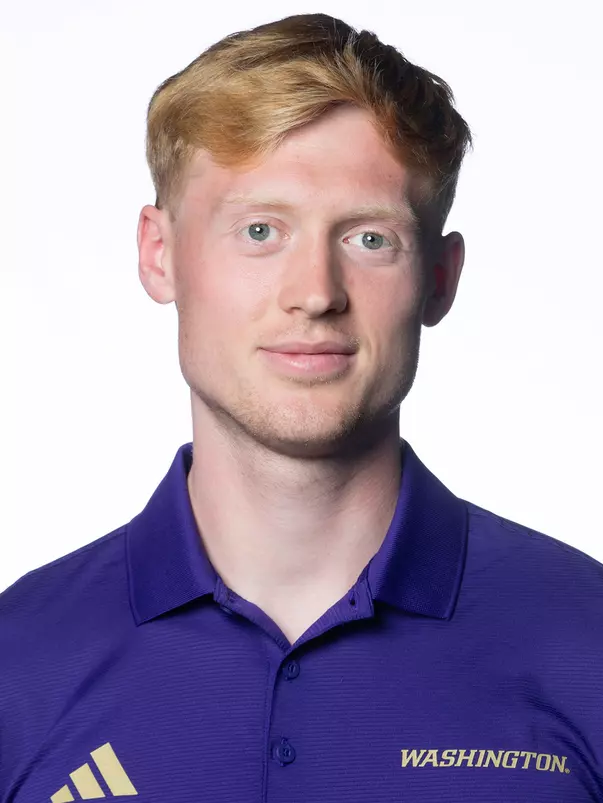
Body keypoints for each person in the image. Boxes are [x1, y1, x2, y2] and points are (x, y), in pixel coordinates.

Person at [1, 12, 602, 803]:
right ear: (159, 253)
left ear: (440, 278)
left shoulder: (585, 643)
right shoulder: (18, 660)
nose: (315, 293)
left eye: (369, 239)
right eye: (259, 229)